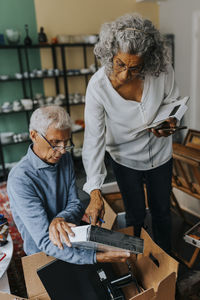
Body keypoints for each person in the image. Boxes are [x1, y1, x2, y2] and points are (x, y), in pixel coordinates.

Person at [82, 13, 181, 253]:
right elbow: (94, 139)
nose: (126, 74)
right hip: (124, 159)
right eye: (120, 64)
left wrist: (171, 122)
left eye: (135, 67)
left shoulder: (162, 71)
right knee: (135, 215)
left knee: (162, 213)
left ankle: (166, 263)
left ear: (148, 61)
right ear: (110, 55)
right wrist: (95, 191)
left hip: (160, 155)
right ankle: (137, 259)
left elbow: (174, 102)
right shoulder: (98, 87)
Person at [7, 106, 130, 264]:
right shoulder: (20, 179)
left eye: (66, 142)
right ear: (34, 135)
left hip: (74, 236)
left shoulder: (63, 159)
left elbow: (76, 205)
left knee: (129, 246)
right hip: (44, 252)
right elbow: (45, 240)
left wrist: (59, 218)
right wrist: (98, 257)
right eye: (55, 142)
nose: (63, 150)